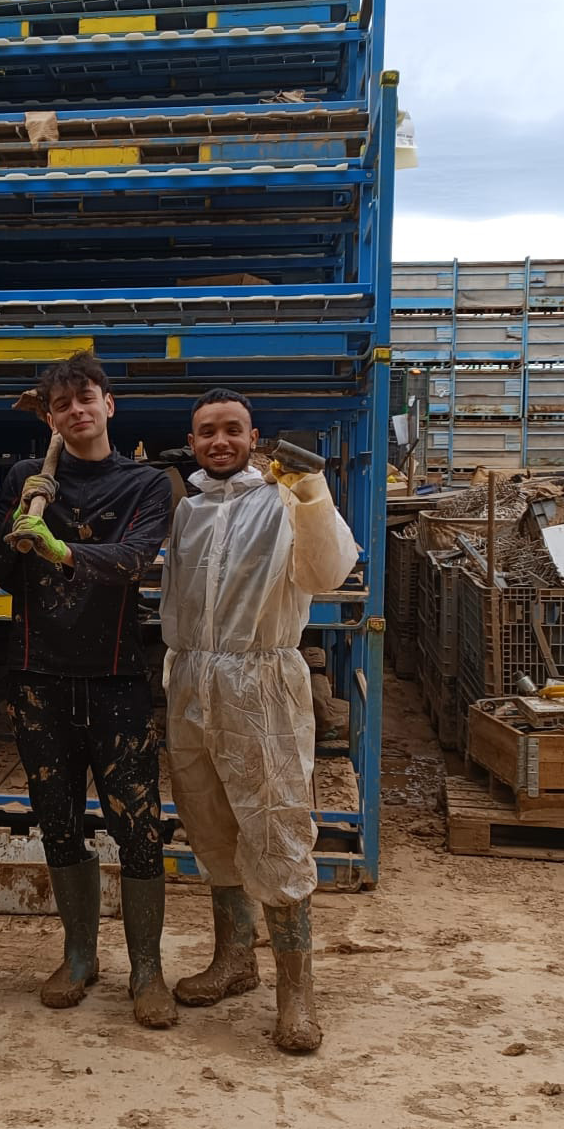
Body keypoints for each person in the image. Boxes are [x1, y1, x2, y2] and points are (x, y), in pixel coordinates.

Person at [0, 352, 177, 1029]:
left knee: (138, 827)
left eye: (85, 398)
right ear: (50, 417)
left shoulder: (146, 483)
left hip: (116, 678)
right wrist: (18, 518)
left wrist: (61, 549)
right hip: (38, 679)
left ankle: (147, 969)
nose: (76, 411)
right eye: (61, 404)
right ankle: (79, 954)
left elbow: (133, 561)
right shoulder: (27, 478)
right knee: (58, 822)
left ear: (108, 404)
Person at [159, 388, 358, 1053]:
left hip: (261, 680)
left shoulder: (282, 500)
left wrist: (310, 490)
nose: (219, 441)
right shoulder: (187, 509)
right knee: (210, 822)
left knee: (276, 827)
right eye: (206, 431)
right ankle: (234, 959)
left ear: (253, 438)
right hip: (191, 679)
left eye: (232, 430)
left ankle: (296, 994)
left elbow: (327, 574)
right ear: (192, 442)